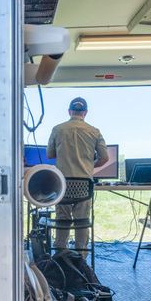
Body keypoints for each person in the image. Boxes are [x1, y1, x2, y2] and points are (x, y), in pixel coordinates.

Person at [47, 97, 109, 256]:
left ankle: (60, 254)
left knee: (63, 219)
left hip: (62, 185)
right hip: (84, 187)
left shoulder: (57, 129)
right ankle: (81, 257)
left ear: (69, 111)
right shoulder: (94, 131)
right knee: (82, 222)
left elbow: (50, 154)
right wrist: (89, 167)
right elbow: (104, 158)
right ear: (85, 113)